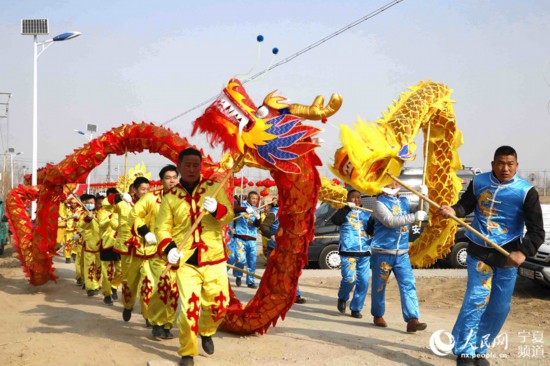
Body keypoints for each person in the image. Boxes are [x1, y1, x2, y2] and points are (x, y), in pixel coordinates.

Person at [438, 146, 545, 366]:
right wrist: (453, 211)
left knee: (499, 306)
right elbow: (465, 205)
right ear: (492, 164)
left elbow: (537, 231)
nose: (505, 168)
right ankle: (465, 351)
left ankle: (480, 349)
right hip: (479, 250)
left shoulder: (526, 192)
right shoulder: (479, 182)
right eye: (500, 163)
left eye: (510, 164)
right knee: (476, 299)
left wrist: (523, 252)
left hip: (507, 255)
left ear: (516, 165)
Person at [156, 148, 234, 366]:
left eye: (195, 165)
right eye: (187, 165)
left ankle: (207, 330)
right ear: (179, 166)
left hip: (214, 257)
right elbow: (162, 228)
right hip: (185, 260)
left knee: (219, 305)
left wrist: (216, 208)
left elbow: (228, 214)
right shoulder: (170, 197)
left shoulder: (214, 188)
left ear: (201, 167)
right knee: (189, 308)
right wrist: (169, 248)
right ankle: (187, 352)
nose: (191, 169)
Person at [369, 180, 428, 332]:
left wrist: (423, 196)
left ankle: (412, 319)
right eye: (389, 182)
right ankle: (378, 314)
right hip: (383, 252)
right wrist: (414, 217)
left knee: (408, 284)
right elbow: (390, 221)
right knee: (379, 286)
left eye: (395, 182)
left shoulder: (404, 201)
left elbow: (422, 211)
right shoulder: (379, 203)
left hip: (402, 253)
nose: (394, 185)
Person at [129, 164, 179, 340]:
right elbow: (134, 215)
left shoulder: (185, 199)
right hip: (158, 251)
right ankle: (157, 323)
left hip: (179, 251)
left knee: (174, 291)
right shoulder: (151, 198)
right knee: (162, 286)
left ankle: (168, 325)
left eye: (174, 177)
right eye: (168, 177)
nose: (172, 180)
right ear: (161, 180)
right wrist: (145, 232)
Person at [331, 190, 371, 319]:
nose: (356, 200)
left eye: (358, 197)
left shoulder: (366, 214)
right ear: (348, 199)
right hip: (348, 251)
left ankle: (356, 308)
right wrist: (347, 208)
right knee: (350, 279)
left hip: (364, 252)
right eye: (353, 198)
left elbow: (372, 230)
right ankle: (342, 297)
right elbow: (335, 220)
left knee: (363, 282)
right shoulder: (343, 212)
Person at [117, 177, 151, 324]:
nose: (146, 192)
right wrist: (118, 198)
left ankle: (149, 316)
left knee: (148, 284)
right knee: (130, 282)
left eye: (148, 189)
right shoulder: (124, 204)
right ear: (134, 191)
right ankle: (128, 305)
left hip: (149, 250)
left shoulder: (154, 203)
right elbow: (105, 205)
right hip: (130, 249)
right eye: (143, 189)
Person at [260, 197, 306, 304]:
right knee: (271, 272)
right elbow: (264, 226)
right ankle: (264, 293)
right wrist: (271, 235)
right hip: (275, 247)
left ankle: (295, 294)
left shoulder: (294, 213)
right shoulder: (274, 213)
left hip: (290, 248)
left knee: (292, 272)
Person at [228, 191, 261, 288]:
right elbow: (233, 210)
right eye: (253, 198)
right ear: (248, 198)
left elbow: (257, 225)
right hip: (240, 238)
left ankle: (250, 281)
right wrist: (245, 209)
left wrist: (258, 218)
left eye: (256, 199)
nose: (254, 200)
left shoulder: (258, 209)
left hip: (252, 239)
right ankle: (238, 275)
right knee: (241, 259)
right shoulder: (241, 206)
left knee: (252, 261)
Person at [98, 188, 123, 306]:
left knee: (121, 270)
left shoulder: (123, 208)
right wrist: (111, 217)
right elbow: (101, 225)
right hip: (107, 243)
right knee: (107, 271)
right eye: (111, 196)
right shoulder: (102, 211)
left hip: (120, 243)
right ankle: (107, 294)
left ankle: (114, 286)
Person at [76, 194, 102, 296]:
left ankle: (97, 283)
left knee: (98, 267)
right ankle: (90, 286)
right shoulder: (84, 214)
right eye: (88, 203)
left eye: (92, 203)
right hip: (89, 245)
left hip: (101, 244)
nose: (91, 205)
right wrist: (88, 218)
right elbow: (81, 225)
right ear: (84, 204)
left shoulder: (100, 213)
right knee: (89, 266)